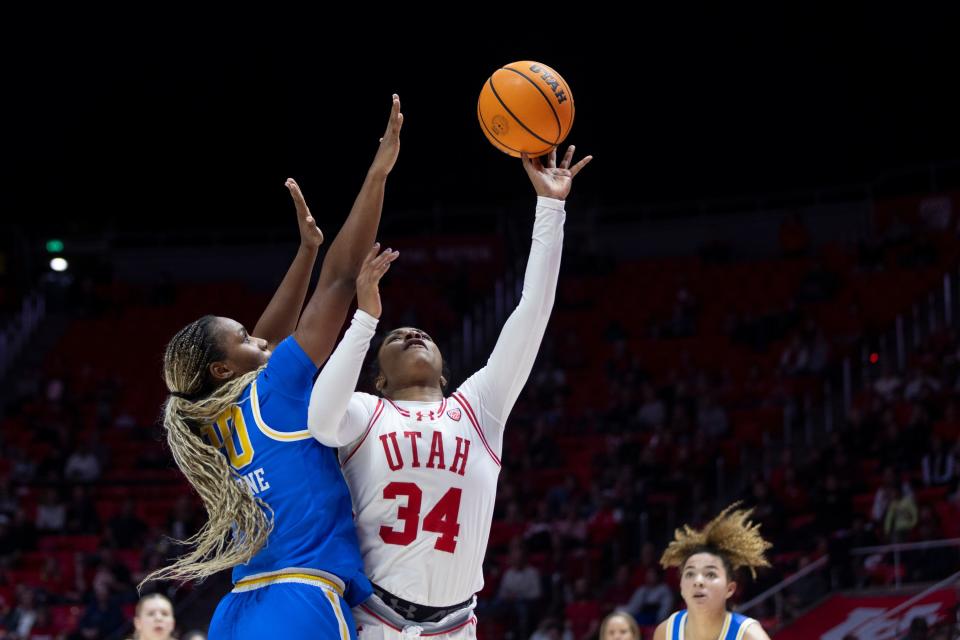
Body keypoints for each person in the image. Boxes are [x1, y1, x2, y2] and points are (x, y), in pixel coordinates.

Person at [142, 95, 403, 640]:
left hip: (239, 608)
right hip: (301, 600)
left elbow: (269, 338)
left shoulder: (206, 424)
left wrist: (307, 250)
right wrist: (376, 176)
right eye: (241, 337)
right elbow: (340, 281)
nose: (257, 336)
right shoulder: (273, 389)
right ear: (219, 370)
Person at [308, 146, 592, 638]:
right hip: (375, 619)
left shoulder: (479, 405)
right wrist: (366, 318)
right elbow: (320, 420)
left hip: (457, 626)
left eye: (423, 335)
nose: (412, 335)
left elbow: (533, 311)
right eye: (397, 337)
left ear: (445, 373)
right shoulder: (365, 412)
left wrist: (551, 207)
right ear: (379, 377)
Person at [653, 504, 773, 640]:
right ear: (681, 587)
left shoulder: (750, 636)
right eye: (690, 574)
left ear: (730, 589)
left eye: (710, 574)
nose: (698, 581)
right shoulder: (665, 632)